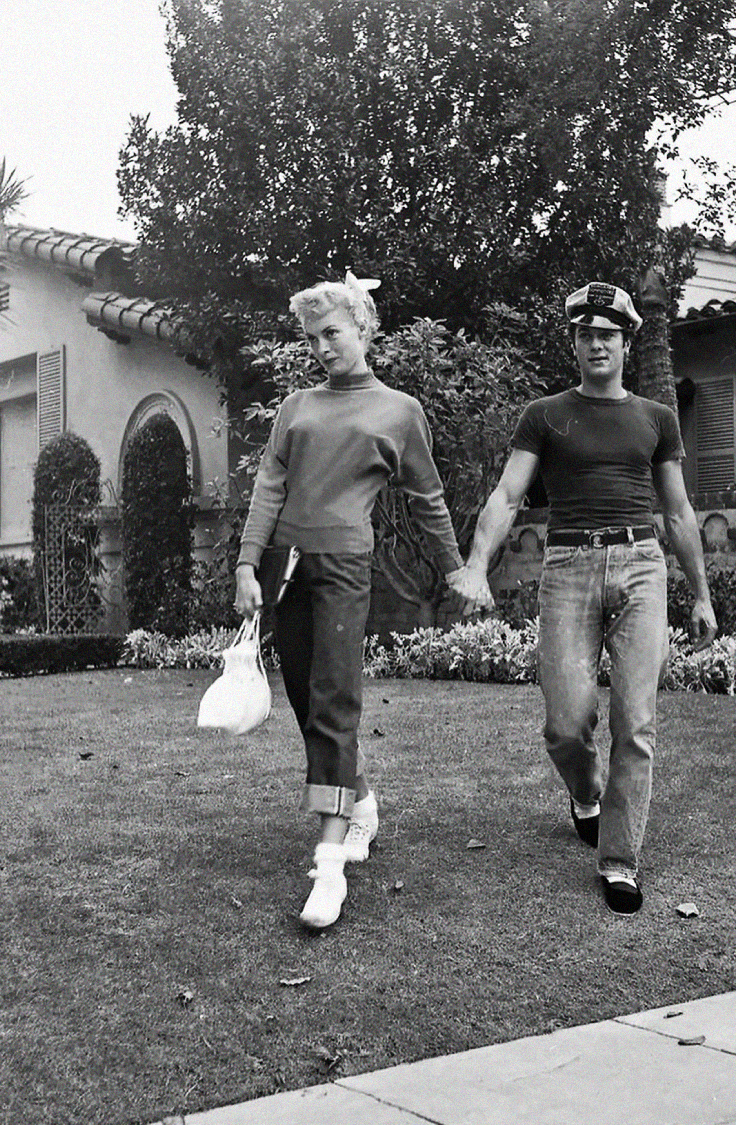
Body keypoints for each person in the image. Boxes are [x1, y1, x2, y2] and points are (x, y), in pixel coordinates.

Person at [455, 281, 717, 915]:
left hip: (641, 566)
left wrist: (702, 595)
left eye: (608, 334)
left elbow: (678, 512)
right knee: (566, 725)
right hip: (568, 566)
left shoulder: (656, 418)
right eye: (585, 334)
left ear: (625, 344)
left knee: (636, 722)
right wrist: (476, 565)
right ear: (574, 343)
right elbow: (506, 496)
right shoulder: (545, 414)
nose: (597, 343)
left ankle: (619, 861)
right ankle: (585, 792)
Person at [234, 272, 469, 929]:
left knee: (335, 702)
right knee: (308, 704)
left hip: (344, 567)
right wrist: (248, 564)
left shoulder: (400, 411)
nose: (321, 348)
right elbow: (270, 485)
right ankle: (360, 803)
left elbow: (427, 498)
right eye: (312, 338)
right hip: (287, 567)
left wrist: (454, 569)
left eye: (331, 333)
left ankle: (330, 864)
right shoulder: (296, 407)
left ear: (363, 328)